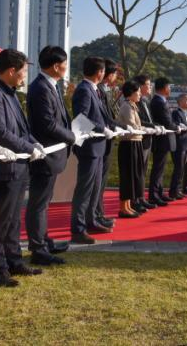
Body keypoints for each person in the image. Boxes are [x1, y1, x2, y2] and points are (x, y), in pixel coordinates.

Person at [0, 49, 46, 286]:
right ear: (11, 71)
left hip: (19, 166)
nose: (24, 77)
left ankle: (14, 261)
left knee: (14, 219)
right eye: (23, 72)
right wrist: (28, 147)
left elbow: (22, 129)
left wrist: (34, 142)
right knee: (0, 221)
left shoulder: (10, 93)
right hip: (5, 167)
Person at [26, 46, 76, 266]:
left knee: (44, 202)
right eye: (64, 64)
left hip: (53, 153)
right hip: (45, 154)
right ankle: (38, 249)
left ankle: (44, 242)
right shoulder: (40, 88)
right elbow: (47, 124)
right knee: (38, 203)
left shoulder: (50, 85)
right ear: (56, 66)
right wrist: (72, 136)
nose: (66, 67)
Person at [70, 57, 117, 244]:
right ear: (99, 72)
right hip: (90, 147)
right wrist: (101, 129)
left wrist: (113, 126)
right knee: (84, 191)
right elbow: (81, 118)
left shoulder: (94, 89)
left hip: (98, 147)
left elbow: (102, 116)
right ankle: (78, 228)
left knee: (94, 189)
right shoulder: (84, 89)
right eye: (103, 71)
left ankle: (91, 221)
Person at [94, 58, 120, 230]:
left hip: (106, 139)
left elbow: (109, 116)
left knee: (101, 182)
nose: (115, 77)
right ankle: (96, 214)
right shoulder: (97, 90)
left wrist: (118, 126)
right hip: (98, 140)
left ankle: (99, 213)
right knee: (97, 183)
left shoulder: (104, 90)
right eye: (115, 73)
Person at [117, 80, 148, 218]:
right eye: (138, 92)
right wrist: (145, 129)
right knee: (127, 176)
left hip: (135, 142)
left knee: (134, 176)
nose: (140, 94)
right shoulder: (126, 106)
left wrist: (143, 129)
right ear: (131, 92)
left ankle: (128, 206)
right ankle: (123, 208)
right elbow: (132, 125)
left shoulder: (132, 105)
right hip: (128, 144)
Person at [133, 74, 161, 208]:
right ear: (140, 86)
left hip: (148, 140)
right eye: (148, 85)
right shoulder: (135, 102)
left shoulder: (145, 101)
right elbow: (139, 121)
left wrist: (155, 125)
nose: (150, 87)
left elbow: (149, 120)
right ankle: (135, 200)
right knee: (138, 171)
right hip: (139, 140)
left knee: (144, 171)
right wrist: (153, 126)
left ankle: (141, 198)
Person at [149, 77, 179, 202]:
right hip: (161, 140)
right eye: (169, 87)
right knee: (158, 168)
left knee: (161, 168)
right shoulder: (158, 102)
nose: (170, 89)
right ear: (164, 88)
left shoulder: (162, 101)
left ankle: (159, 193)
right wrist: (176, 127)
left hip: (164, 139)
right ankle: (154, 195)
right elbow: (166, 121)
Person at [170, 94, 187, 200]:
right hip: (179, 145)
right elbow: (177, 124)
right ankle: (173, 191)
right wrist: (186, 126)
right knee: (178, 168)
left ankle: (177, 190)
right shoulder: (176, 113)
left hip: (184, 144)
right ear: (180, 102)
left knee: (181, 168)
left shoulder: (185, 113)